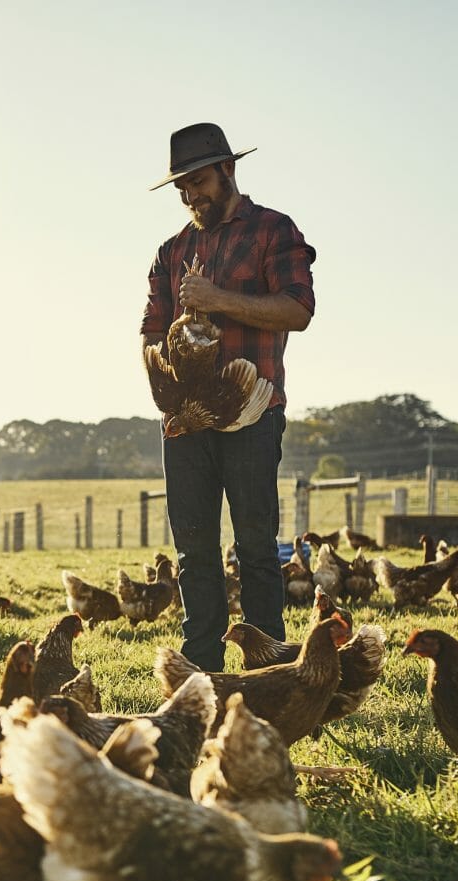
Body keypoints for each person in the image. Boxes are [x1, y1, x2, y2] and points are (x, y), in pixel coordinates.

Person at [139, 123, 316, 672]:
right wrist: (165, 376)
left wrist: (219, 299)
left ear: (229, 171)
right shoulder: (171, 253)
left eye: (199, 182)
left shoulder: (271, 231)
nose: (192, 196)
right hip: (186, 421)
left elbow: (297, 310)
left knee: (258, 551)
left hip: (252, 414)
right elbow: (148, 329)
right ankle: (200, 676)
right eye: (182, 188)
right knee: (194, 553)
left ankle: (268, 674)